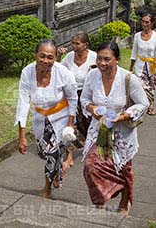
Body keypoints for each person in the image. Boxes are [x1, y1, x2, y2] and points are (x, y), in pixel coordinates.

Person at [81, 42, 148, 215]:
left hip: (122, 134)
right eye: (99, 59)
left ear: (117, 60)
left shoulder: (128, 78)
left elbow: (143, 103)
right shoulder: (92, 75)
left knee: (123, 169)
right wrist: (92, 109)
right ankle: (100, 199)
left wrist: (124, 115)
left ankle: (125, 200)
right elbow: (84, 99)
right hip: (99, 131)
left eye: (107, 59)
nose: (102, 63)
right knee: (91, 166)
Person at [15, 39, 78, 199]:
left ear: (56, 57)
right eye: (42, 56)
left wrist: (71, 123)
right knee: (46, 153)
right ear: (35, 55)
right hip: (40, 120)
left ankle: (47, 186)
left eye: (50, 57)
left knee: (52, 154)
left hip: (61, 118)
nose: (46, 61)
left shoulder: (64, 73)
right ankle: (57, 171)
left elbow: (72, 98)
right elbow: (23, 101)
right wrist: (21, 134)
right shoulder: (27, 72)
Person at [58, 32, 97, 143]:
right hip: (71, 95)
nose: (74, 46)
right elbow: (58, 69)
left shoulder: (94, 57)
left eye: (77, 44)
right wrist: (59, 56)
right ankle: (73, 147)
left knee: (88, 121)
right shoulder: (69, 56)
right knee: (72, 121)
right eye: (72, 43)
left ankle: (92, 143)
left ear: (85, 45)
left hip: (88, 95)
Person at [130, 12, 156, 115]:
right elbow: (134, 53)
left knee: (151, 86)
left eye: (147, 22)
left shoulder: (155, 36)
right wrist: (130, 68)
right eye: (143, 21)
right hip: (140, 65)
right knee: (140, 86)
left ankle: (151, 104)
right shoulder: (137, 36)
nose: (144, 24)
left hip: (152, 66)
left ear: (152, 23)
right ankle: (145, 105)